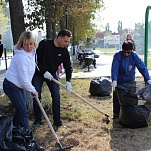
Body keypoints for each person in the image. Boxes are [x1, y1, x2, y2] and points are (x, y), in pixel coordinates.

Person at [32, 29, 72, 128]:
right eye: (65, 41)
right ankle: (38, 120)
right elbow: (36, 60)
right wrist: (44, 71)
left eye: (68, 42)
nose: (66, 43)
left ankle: (57, 121)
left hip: (52, 75)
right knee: (37, 97)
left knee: (56, 96)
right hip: (38, 74)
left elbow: (68, 66)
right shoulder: (44, 44)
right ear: (59, 38)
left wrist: (68, 81)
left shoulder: (64, 51)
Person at [3, 31, 38, 129]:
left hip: (18, 86)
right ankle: (28, 138)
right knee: (22, 111)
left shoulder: (32, 54)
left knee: (21, 110)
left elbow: (27, 76)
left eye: (31, 44)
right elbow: (23, 80)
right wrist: (33, 90)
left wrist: (31, 88)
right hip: (11, 86)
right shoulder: (21, 57)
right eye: (26, 44)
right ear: (21, 44)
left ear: (34, 43)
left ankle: (13, 131)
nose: (29, 47)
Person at [111, 40, 151, 119]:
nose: (126, 54)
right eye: (124, 52)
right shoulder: (118, 56)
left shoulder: (134, 56)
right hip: (119, 81)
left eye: (128, 52)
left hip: (130, 81)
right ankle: (116, 113)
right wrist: (114, 80)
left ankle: (129, 114)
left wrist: (148, 78)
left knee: (131, 98)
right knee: (117, 97)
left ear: (131, 51)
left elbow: (142, 67)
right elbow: (115, 68)